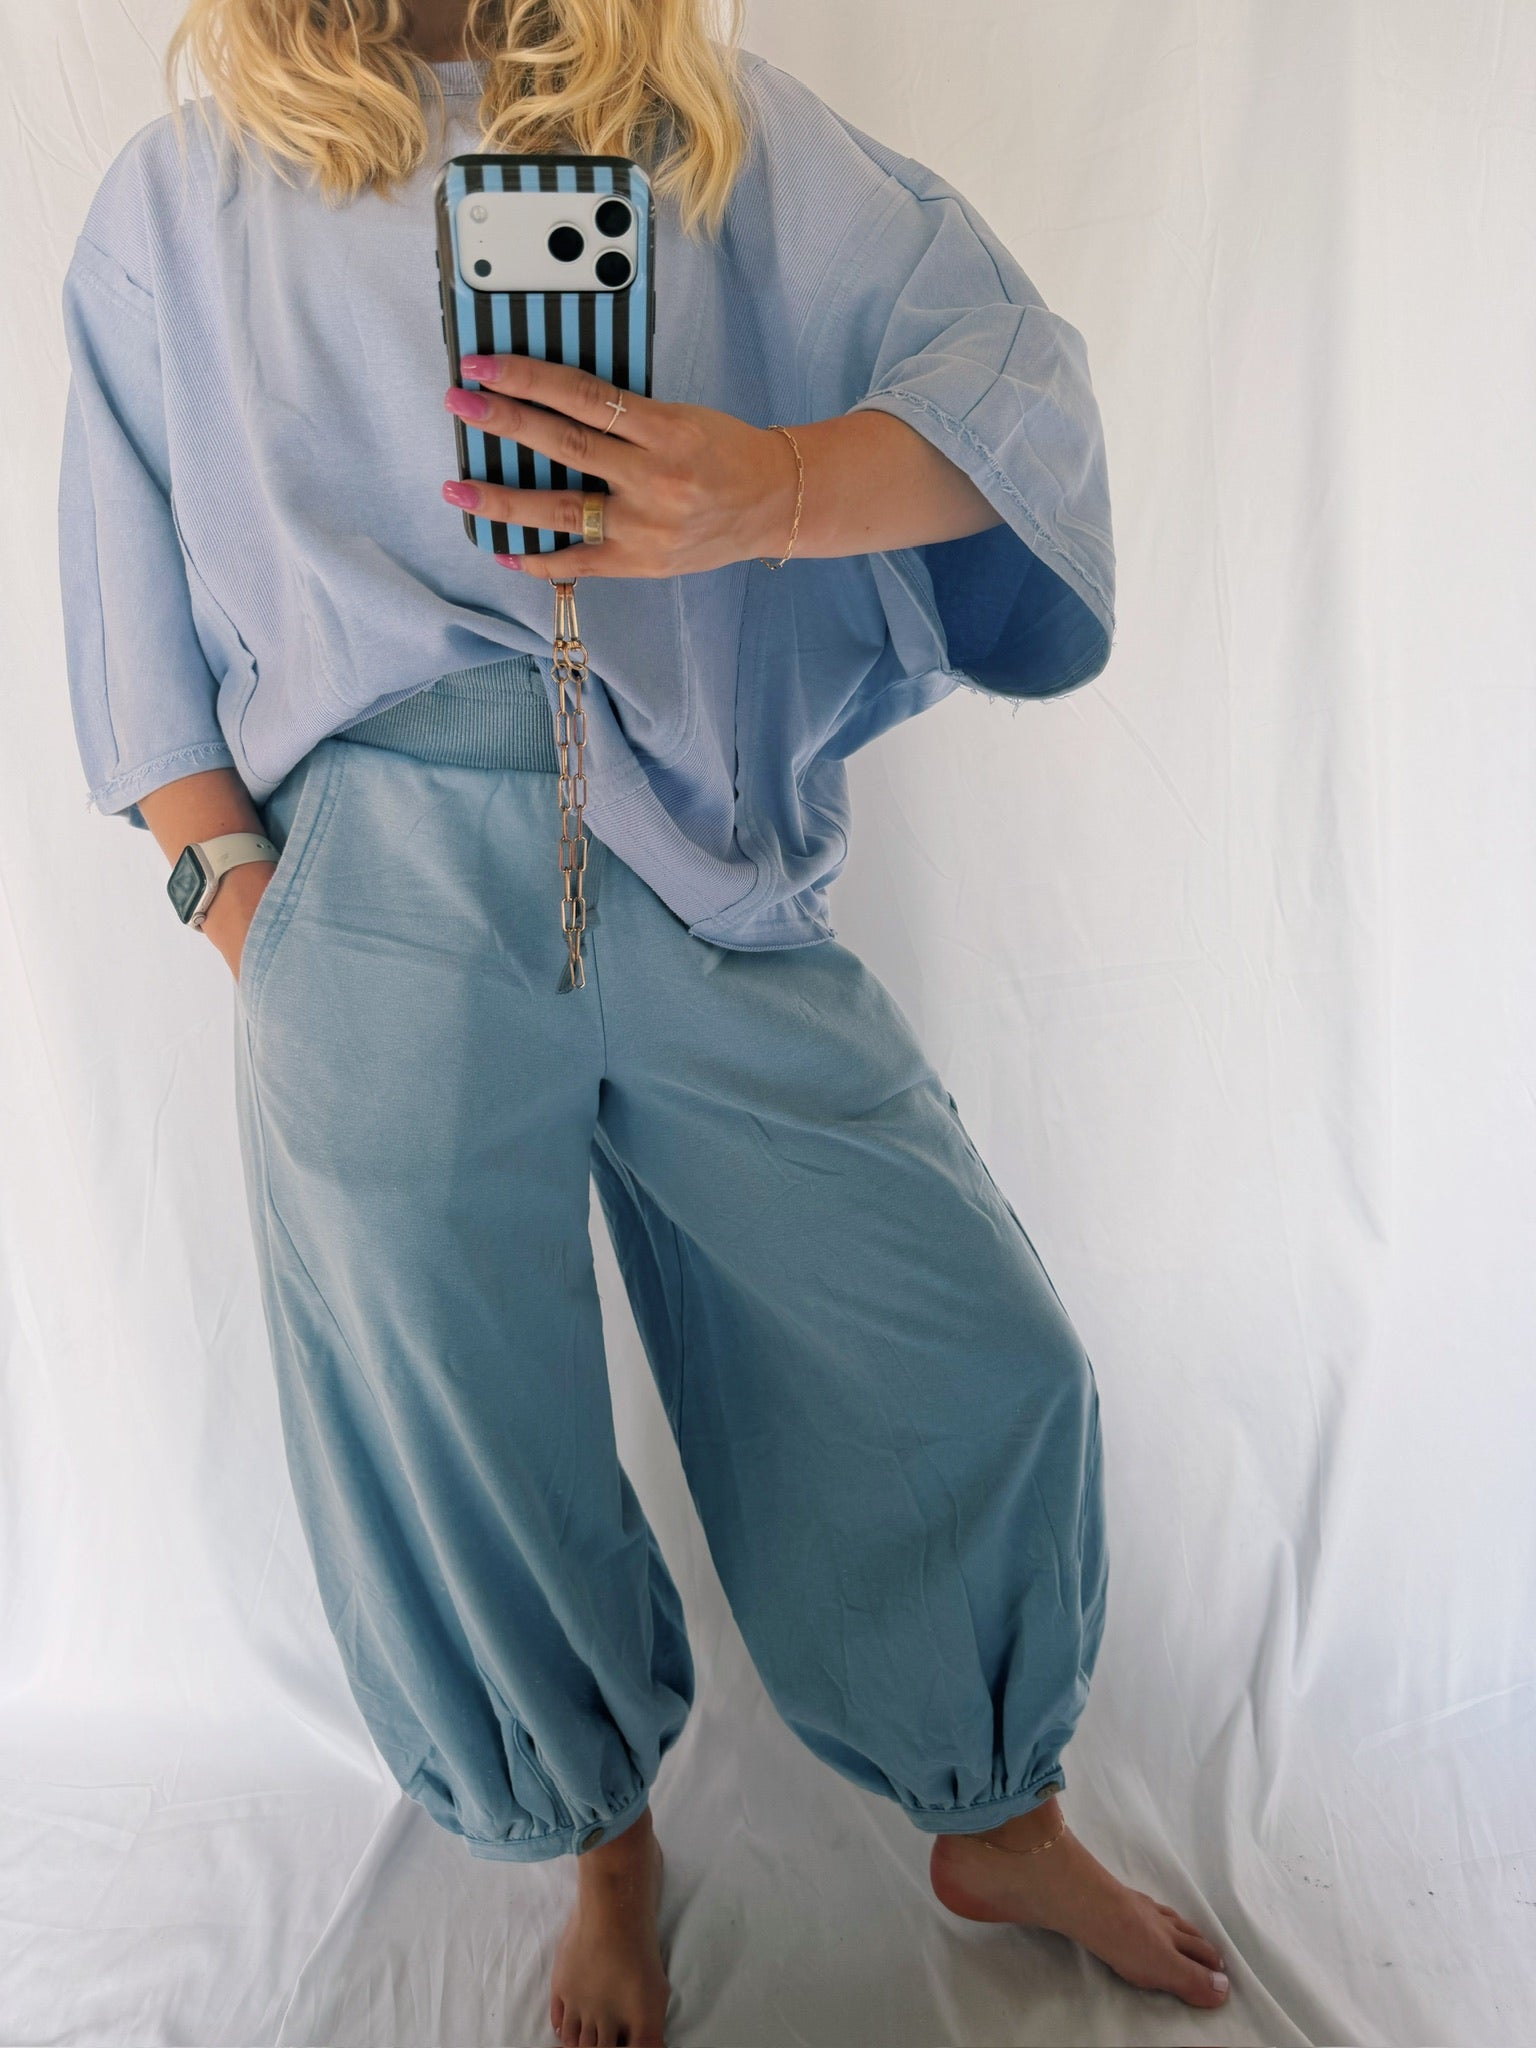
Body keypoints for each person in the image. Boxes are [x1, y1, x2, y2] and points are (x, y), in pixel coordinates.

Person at [55, 1, 1231, 2040]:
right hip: (371, 868)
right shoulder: (184, 194)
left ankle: (997, 1809)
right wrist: (250, 908)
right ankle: (601, 1843)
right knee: (462, 1425)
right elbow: (119, 598)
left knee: (964, 1341)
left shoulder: (703, 138)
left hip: (686, 839)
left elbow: (1011, 387)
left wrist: (767, 491)